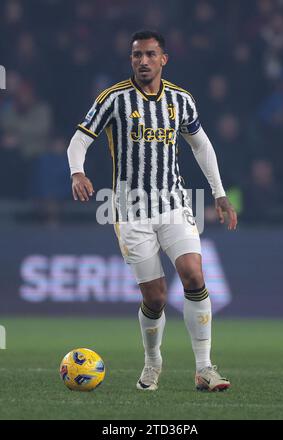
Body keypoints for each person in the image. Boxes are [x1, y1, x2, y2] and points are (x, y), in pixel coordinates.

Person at [67, 30, 237, 392]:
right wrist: (77, 171)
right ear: (131, 60)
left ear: (163, 59)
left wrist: (219, 194)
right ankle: (152, 362)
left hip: (174, 203)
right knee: (155, 297)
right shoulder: (113, 99)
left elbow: (201, 146)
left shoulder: (181, 100)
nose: (142, 61)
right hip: (131, 211)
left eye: (149, 54)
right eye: (136, 55)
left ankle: (205, 368)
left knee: (193, 274)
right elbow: (80, 138)